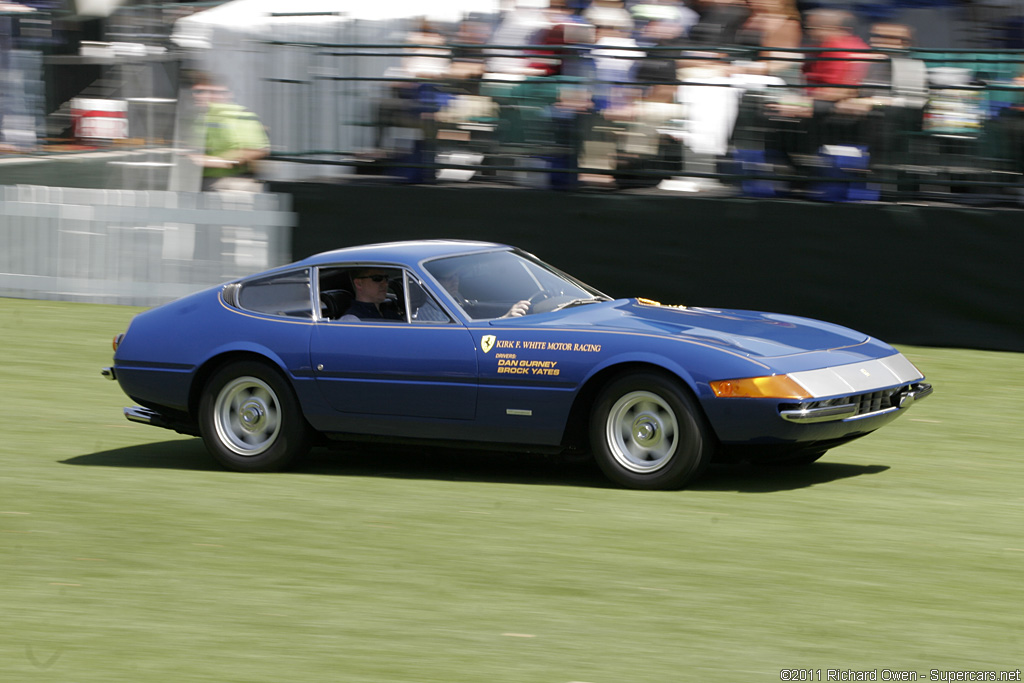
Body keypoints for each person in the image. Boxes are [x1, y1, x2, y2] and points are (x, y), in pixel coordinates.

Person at [189, 73, 270, 192]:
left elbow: (254, 150)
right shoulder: (198, 118)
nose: (196, 96)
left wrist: (211, 161)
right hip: (197, 181)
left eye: (201, 92)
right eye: (196, 92)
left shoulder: (240, 115)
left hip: (229, 183)